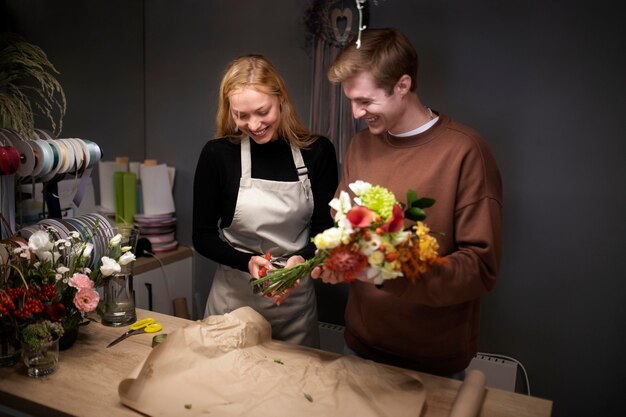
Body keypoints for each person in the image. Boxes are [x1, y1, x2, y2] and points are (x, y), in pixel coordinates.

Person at [313, 28, 503, 376]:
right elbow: (345, 229)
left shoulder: (465, 152)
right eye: (351, 101)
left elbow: (481, 267)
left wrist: (392, 274)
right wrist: (335, 260)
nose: (356, 113)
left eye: (365, 102)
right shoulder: (361, 146)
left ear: (402, 85)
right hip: (359, 346)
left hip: (433, 361)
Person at [193, 55, 338, 348]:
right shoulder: (218, 155)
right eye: (241, 116)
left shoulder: (317, 152)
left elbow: (325, 231)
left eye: (262, 111)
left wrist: (302, 260)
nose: (254, 125)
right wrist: (246, 261)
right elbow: (202, 235)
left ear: (280, 98)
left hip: (294, 305)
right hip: (233, 302)